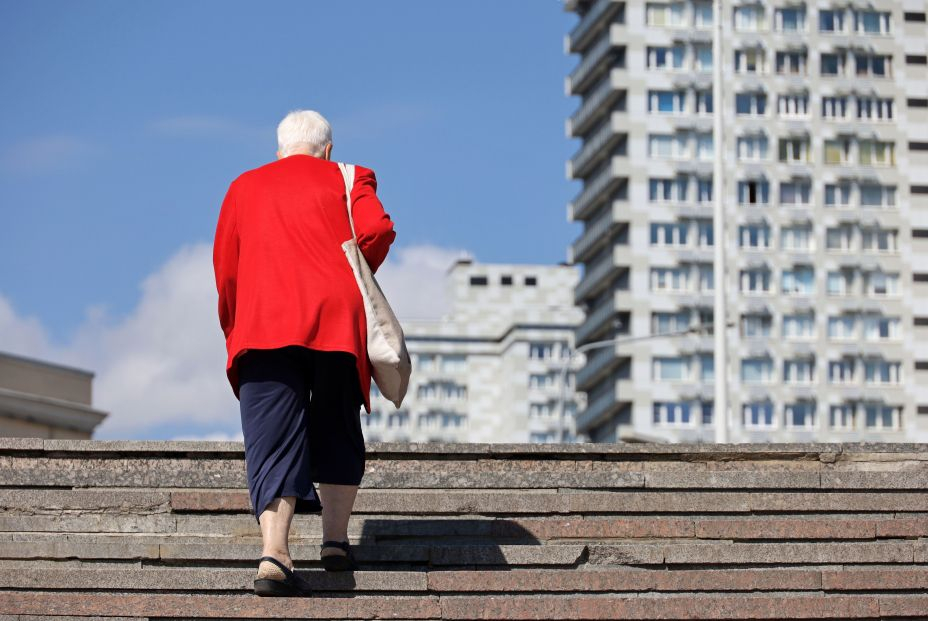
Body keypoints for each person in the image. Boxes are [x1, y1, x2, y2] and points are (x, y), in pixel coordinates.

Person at [212, 109, 397, 596]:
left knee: (271, 436)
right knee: (337, 419)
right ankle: (334, 542)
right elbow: (377, 230)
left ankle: (274, 554)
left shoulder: (243, 186)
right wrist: (348, 267)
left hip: (262, 320)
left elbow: (226, 267)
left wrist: (235, 324)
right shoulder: (350, 177)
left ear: (279, 152)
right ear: (327, 151)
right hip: (334, 316)